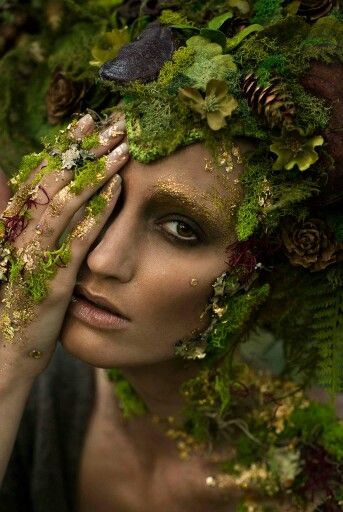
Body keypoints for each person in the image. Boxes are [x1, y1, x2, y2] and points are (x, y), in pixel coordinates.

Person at [0, 1, 343, 511]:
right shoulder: (32, 383)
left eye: (182, 228)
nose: (102, 259)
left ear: (275, 269)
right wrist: (11, 357)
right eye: (101, 194)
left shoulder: (317, 482)